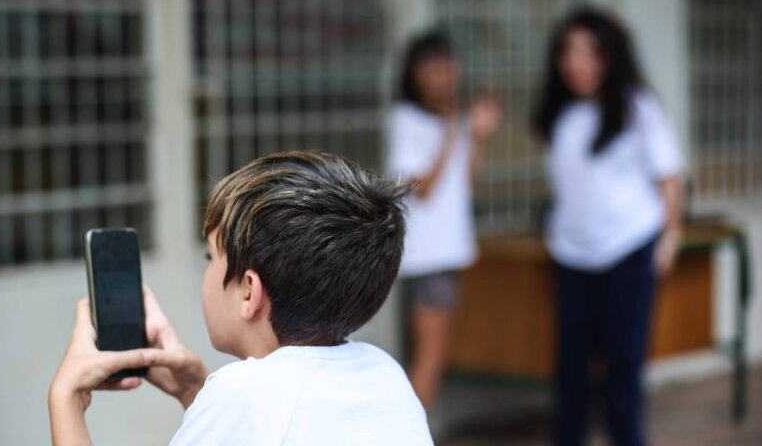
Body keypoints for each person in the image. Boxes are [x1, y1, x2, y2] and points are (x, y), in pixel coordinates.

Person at [48, 151, 434, 445]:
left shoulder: (244, 394)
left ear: (249, 291)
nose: (206, 272)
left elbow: (261, 413)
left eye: (210, 258)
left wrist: (67, 398)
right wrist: (192, 389)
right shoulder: (387, 375)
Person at [532, 8, 683, 446]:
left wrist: (670, 237)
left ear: (610, 56)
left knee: (623, 364)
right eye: (568, 52)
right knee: (571, 369)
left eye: (589, 52)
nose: (576, 63)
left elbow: (669, 178)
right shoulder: (562, 114)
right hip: (571, 253)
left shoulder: (639, 107)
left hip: (627, 249)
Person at [387, 30, 501, 411]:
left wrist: (477, 136)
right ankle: (410, 431)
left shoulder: (453, 120)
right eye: (432, 66)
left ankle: (414, 427)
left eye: (447, 64)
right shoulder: (407, 119)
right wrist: (452, 131)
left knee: (435, 352)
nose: (443, 74)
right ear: (414, 73)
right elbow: (422, 188)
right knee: (431, 354)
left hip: (448, 250)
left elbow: (465, 182)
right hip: (427, 255)